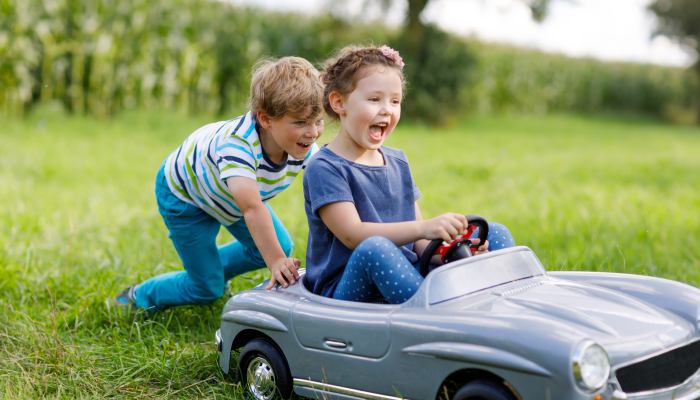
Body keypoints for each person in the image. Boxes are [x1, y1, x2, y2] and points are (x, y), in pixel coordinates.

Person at [303, 45, 515, 304]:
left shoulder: (397, 161)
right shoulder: (324, 167)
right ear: (339, 103)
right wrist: (424, 228)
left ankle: (503, 302)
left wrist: (460, 254)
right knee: (375, 248)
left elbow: (420, 247)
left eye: (395, 101)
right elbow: (352, 234)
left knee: (495, 233)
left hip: (405, 274)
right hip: (346, 292)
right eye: (374, 99)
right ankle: (437, 315)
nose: (387, 110)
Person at [115, 57, 325, 311]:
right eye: (301, 122)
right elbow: (251, 208)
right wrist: (277, 261)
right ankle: (138, 296)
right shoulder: (237, 145)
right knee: (207, 289)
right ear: (266, 119)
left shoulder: (304, 147)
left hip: (228, 195)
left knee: (277, 245)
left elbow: (327, 193)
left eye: (318, 121)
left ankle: (212, 270)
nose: (312, 132)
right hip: (185, 196)